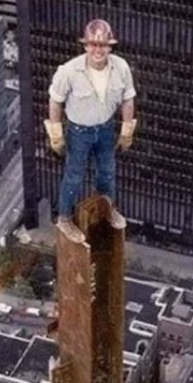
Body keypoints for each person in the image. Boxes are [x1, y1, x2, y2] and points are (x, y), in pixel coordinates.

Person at [44, 19, 137, 240]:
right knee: (74, 176)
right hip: (79, 133)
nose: (98, 50)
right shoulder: (70, 71)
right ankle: (65, 218)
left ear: (109, 46)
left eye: (102, 45)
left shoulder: (120, 67)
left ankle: (107, 209)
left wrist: (127, 129)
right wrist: (56, 134)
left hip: (105, 129)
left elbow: (128, 100)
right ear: (85, 46)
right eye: (93, 45)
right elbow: (55, 102)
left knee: (107, 172)